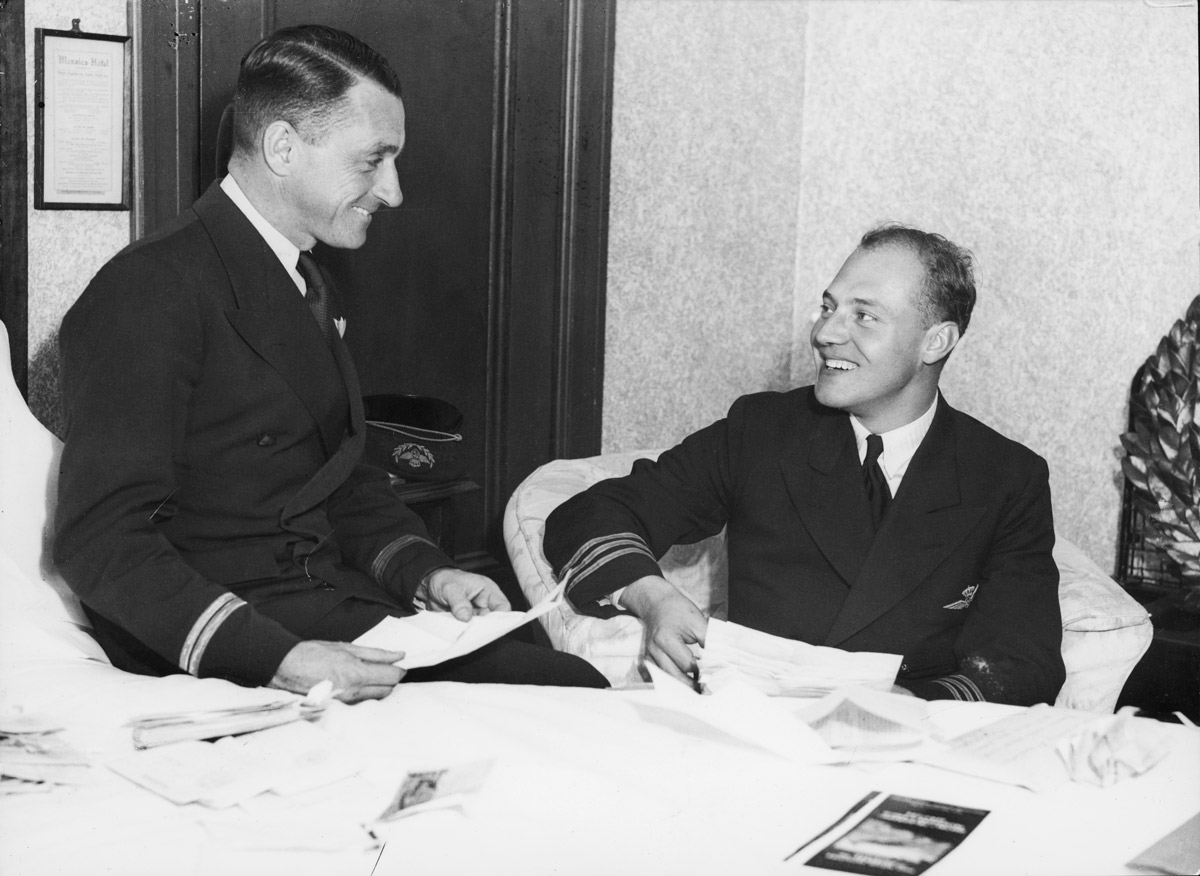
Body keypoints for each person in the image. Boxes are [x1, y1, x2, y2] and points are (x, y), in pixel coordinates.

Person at [54, 24, 607, 702]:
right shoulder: (149, 290)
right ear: (284, 147)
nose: (395, 191)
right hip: (239, 633)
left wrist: (428, 574)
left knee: (565, 680)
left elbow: (335, 480)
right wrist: (276, 660)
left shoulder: (300, 280)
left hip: (324, 602)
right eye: (373, 160)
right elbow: (102, 541)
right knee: (566, 692)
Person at [544, 225, 1065, 705]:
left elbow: (1022, 660)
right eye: (828, 307)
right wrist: (653, 597)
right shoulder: (764, 430)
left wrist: (907, 709)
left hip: (911, 744)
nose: (825, 333)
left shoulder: (1006, 477)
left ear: (936, 341)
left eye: (864, 315)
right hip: (752, 732)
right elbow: (592, 515)